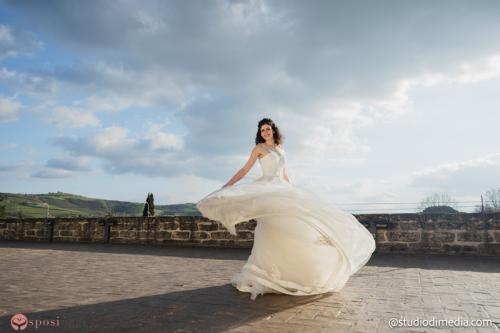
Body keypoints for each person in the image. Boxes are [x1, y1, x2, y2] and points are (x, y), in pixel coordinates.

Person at [196, 118, 376, 301]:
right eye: (262, 130)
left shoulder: (281, 149)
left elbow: (283, 174)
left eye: (267, 129)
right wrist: (227, 185)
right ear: (260, 133)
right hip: (268, 192)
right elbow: (244, 170)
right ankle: (268, 275)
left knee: (293, 230)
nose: (265, 132)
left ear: (273, 130)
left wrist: (294, 193)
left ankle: (292, 275)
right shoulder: (259, 149)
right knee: (271, 230)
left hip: (282, 191)